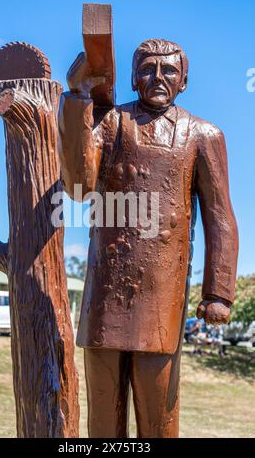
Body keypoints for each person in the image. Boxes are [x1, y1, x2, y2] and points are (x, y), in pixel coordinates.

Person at [58, 39, 239, 438]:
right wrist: (78, 98)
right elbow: (76, 186)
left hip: (162, 299)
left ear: (185, 81)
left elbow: (220, 215)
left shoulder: (203, 135)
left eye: (169, 70)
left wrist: (218, 293)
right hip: (105, 293)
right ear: (134, 78)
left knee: (158, 413)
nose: (158, 78)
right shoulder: (109, 123)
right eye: (147, 69)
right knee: (103, 413)